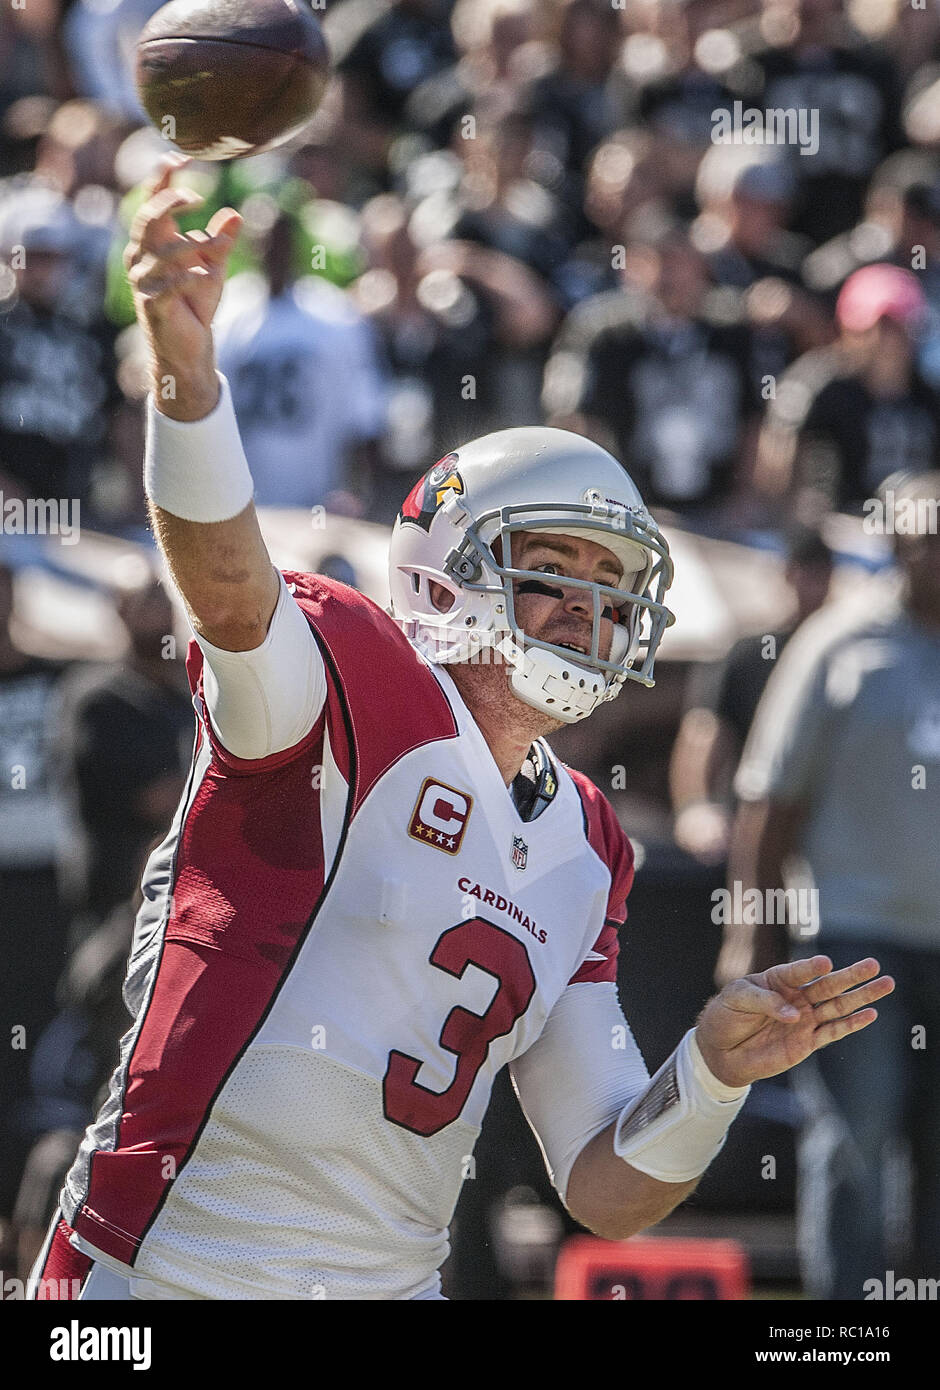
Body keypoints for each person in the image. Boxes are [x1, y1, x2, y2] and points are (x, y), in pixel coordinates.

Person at [31, 157, 893, 1302]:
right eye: (554, 570)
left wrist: (712, 1073)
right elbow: (230, 590)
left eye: (609, 582)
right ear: (451, 571)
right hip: (166, 1277)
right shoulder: (355, 681)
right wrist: (189, 378)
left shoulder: (585, 842)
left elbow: (602, 1186)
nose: (588, 609)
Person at [721, 471, 940, 1298]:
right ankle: (844, 1335)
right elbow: (769, 799)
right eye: (925, 536)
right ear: (897, 545)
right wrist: (752, 931)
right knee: (857, 1143)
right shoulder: (839, 645)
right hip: (855, 939)